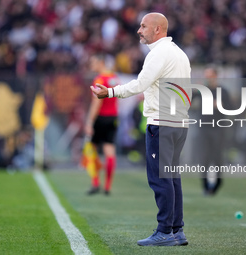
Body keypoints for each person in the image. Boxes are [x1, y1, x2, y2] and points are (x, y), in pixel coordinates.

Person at [91, 12, 192, 246]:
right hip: (179, 123)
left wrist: (110, 91)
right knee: (172, 177)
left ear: (158, 29)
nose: (139, 30)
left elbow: (140, 84)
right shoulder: (179, 53)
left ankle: (165, 231)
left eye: (144, 26)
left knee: (160, 178)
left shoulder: (159, 53)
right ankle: (176, 231)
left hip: (162, 123)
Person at [84, 54, 119, 195]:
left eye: (93, 62)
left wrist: (89, 121)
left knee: (92, 149)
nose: (91, 65)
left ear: (101, 62)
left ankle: (96, 182)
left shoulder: (99, 79)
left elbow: (96, 103)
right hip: (113, 117)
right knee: (109, 149)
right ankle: (108, 186)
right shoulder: (114, 78)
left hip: (100, 117)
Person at [196, 66, 232, 195]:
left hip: (218, 129)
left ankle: (217, 183)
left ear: (215, 76)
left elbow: (231, 108)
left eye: (209, 75)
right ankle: (205, 186)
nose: (207, 78)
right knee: (204, 158)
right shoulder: (202, 91)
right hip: (204, 128)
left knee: (217, 158)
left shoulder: (223, 91)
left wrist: (219, 105)